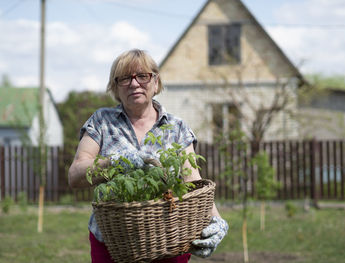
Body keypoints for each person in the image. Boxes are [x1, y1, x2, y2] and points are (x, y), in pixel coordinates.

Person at [68, 49, 228, 263]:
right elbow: (76, 175)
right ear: (115, 86)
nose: (134, 84)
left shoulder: (176, 127)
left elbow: (193, 182)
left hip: (169, 239)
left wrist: (216, 221)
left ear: (155, 82)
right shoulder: (102, 122)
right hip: (113, 243)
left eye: (142, 76)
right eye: (125, 78)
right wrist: (116, 162)